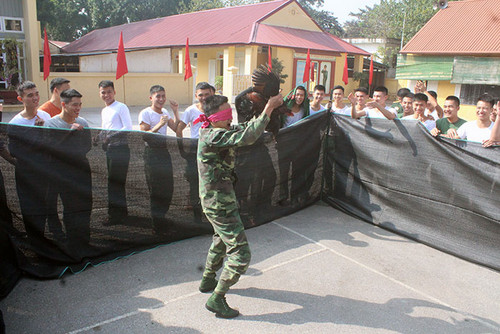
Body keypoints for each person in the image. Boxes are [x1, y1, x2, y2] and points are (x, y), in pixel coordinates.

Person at [197, 93, 283, 318]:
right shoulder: (213, 136)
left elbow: (243, 128)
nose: (230, 119)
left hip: (219, 200)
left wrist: (275, 107)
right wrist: (269, 108)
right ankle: (217, 298)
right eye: (226, 115)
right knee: (241, 254)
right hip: (219, 203)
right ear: (214, 117)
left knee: (220, 239)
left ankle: (207, 279)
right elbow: (248, 135)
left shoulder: (218, 130)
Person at [45, 89, 92, 260]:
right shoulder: (51, 124)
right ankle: (73, 245)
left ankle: (84, 242)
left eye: (80, 104)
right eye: (74, 104)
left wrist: (77, 138)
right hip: (62, 173)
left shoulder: (83, 122)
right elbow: (51, 148)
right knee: (70, 208)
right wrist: (70, 134)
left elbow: (87, 146)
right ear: (64, 104)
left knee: (85, 205)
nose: (78, 108)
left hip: (81, 170)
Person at [8, 81, 51, 248]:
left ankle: (41, 239)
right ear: (21, 99)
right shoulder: (15, 123)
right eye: (30, 95)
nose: (35, 98)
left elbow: (51, 143)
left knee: (44, 206)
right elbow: (15, 151)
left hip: (44, 171)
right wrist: (37, 133)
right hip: (26, 173)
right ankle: (34, 242)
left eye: (36, 94)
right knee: (30, 208)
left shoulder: (45, 117)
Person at [138, 85, 179, 234]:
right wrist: (160, 124)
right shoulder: (146, 113)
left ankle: (162, 217)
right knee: (156, 189)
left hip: (164, 151)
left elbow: (176, 129)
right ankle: (157, 224)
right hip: (151, 152)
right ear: (151, 98)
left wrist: (175, 111)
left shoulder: (166, 112)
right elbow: (144, 134)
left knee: (168, 187)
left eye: (163, 96)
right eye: (158, 96)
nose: (161, 99)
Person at [176, 82, 214, 224]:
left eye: (207, 94)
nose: (204, 97)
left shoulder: (217, 108)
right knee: (194, 183)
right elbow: (179, 129)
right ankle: (197, 218)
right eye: (200, 95)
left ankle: (211, 215)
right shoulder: (191, 111)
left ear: (212, 94)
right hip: (195, 150)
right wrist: (181, 148)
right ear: (196, 96)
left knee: (212, 182)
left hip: (213, 149)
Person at [97, 80, 132, 225]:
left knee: (115, 183)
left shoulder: (121, 107)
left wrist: (109, 136)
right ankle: (121, 213)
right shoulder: (104, 110)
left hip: (120, 150)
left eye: (109, 91)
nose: (106, 95)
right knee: (113, 183)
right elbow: (105, 129)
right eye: (103, 92)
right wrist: (98, 137)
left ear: (114, 92)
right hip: (110, 149)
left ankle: (115, 216)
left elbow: (128, 127)